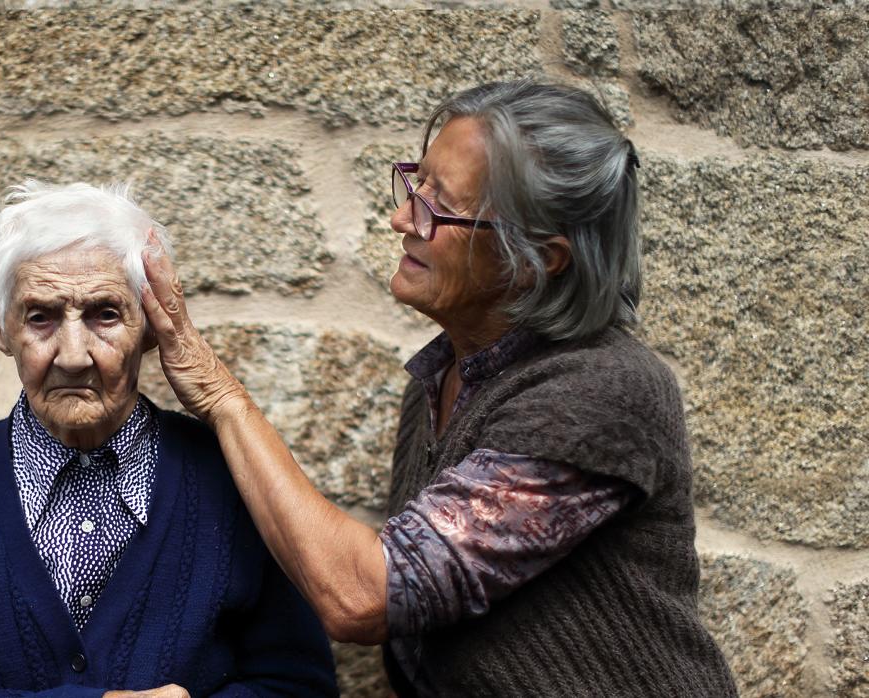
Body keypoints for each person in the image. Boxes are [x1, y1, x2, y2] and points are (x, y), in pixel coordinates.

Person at [140, 80, 738, 697]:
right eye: (415, 184)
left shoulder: (599, 391)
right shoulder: (443, 378)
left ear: (537, 257)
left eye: (438, 205)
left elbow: (363, 597)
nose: (403, 218)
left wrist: (220, 397)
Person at [0, 181, 337, 698]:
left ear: (152, 327)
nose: (73, 355)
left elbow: (299, 687)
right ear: (1, 329)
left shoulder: (236, 481)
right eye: (40, 317)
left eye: (104, 314)